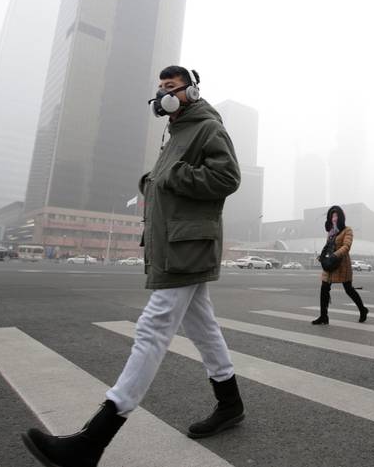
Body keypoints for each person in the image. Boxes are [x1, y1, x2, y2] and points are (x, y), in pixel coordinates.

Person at [22, 66, 244, 467]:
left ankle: (94, 440)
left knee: (153, 327)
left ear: (190, 91)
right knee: (203, 327)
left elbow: (227, 177)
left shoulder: (207, 126)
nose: (163, 95)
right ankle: (230, 404)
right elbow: (173, 179)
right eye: (160, 89)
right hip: (177, 242)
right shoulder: (176, 131)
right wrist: (153, 181)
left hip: (188, 244)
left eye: (171, 88)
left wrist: (171, 175)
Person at [311, 205, 369, 325]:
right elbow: (328, 246)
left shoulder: (347, 230)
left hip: (342, 264)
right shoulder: (331, 232)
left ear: (341, 217)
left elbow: (346, 246)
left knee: (349, 289)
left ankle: (363, 309)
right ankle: (323, 316)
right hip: (330, 265)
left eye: (336, 215)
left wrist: (335, 255)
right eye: (332, 216)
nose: (334, 218)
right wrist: (323, 256)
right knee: (324, 288)